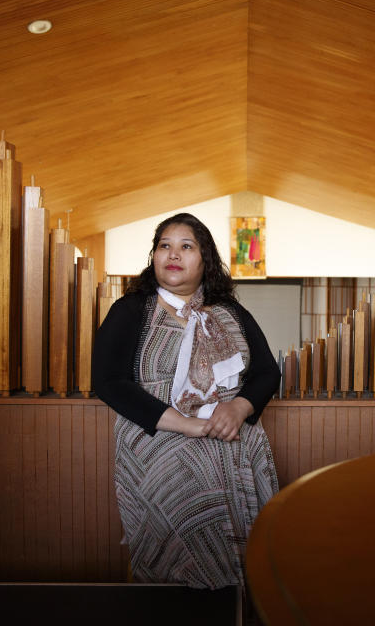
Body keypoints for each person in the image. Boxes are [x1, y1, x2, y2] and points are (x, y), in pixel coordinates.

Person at [92, 213, 280, 590]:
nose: (173, 254)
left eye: (186, 246)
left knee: (243, 563)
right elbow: (109, 382)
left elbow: (266, 373)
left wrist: (239, 407)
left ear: (204, 260)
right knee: (175, 564)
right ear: (154, 257)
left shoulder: (231, 313)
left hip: (234, 448)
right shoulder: (130, 311)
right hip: (160, 449)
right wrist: (188, 424)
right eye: (164, 246)